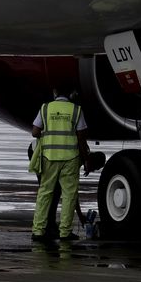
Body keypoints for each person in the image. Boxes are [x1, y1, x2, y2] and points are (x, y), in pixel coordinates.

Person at [31, 90, 92, 242]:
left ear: (55, 93)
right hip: (70, 158)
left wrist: (49, 136)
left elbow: (35, 131)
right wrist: (86, 159)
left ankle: (38, 230)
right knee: (69, 195)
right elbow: (81, 137)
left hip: (49, 156)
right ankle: (65, 232)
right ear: (71, 94)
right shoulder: (76, 110)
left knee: (45, 193)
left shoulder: (45, 108)